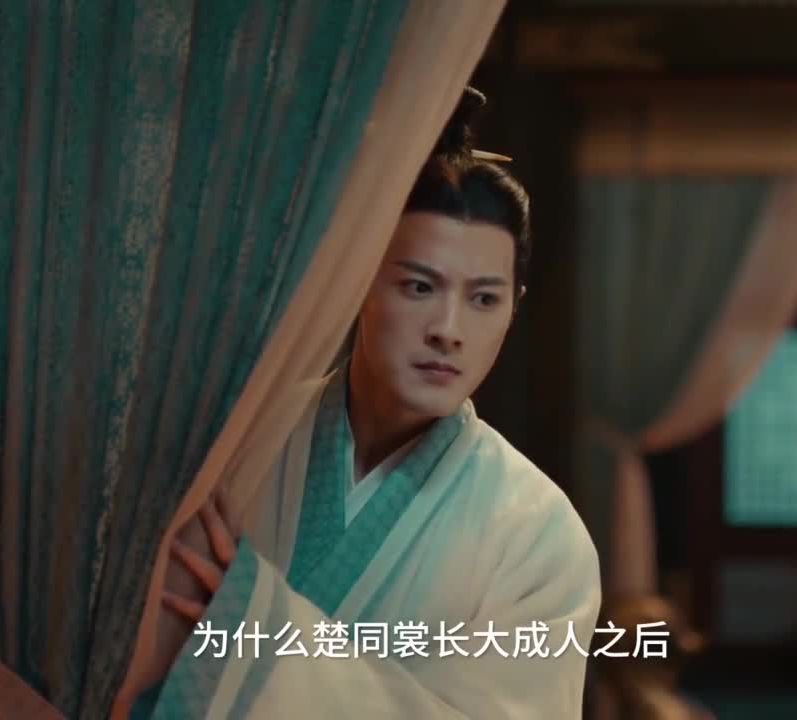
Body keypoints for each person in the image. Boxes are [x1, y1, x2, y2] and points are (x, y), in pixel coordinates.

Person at [146, 87, 600, 718]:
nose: (449, 329)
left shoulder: (538, 534)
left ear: (514, 307)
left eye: (483, 299)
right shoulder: (240, 437)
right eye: (419, 286)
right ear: (359, 278)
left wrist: (256, 628)